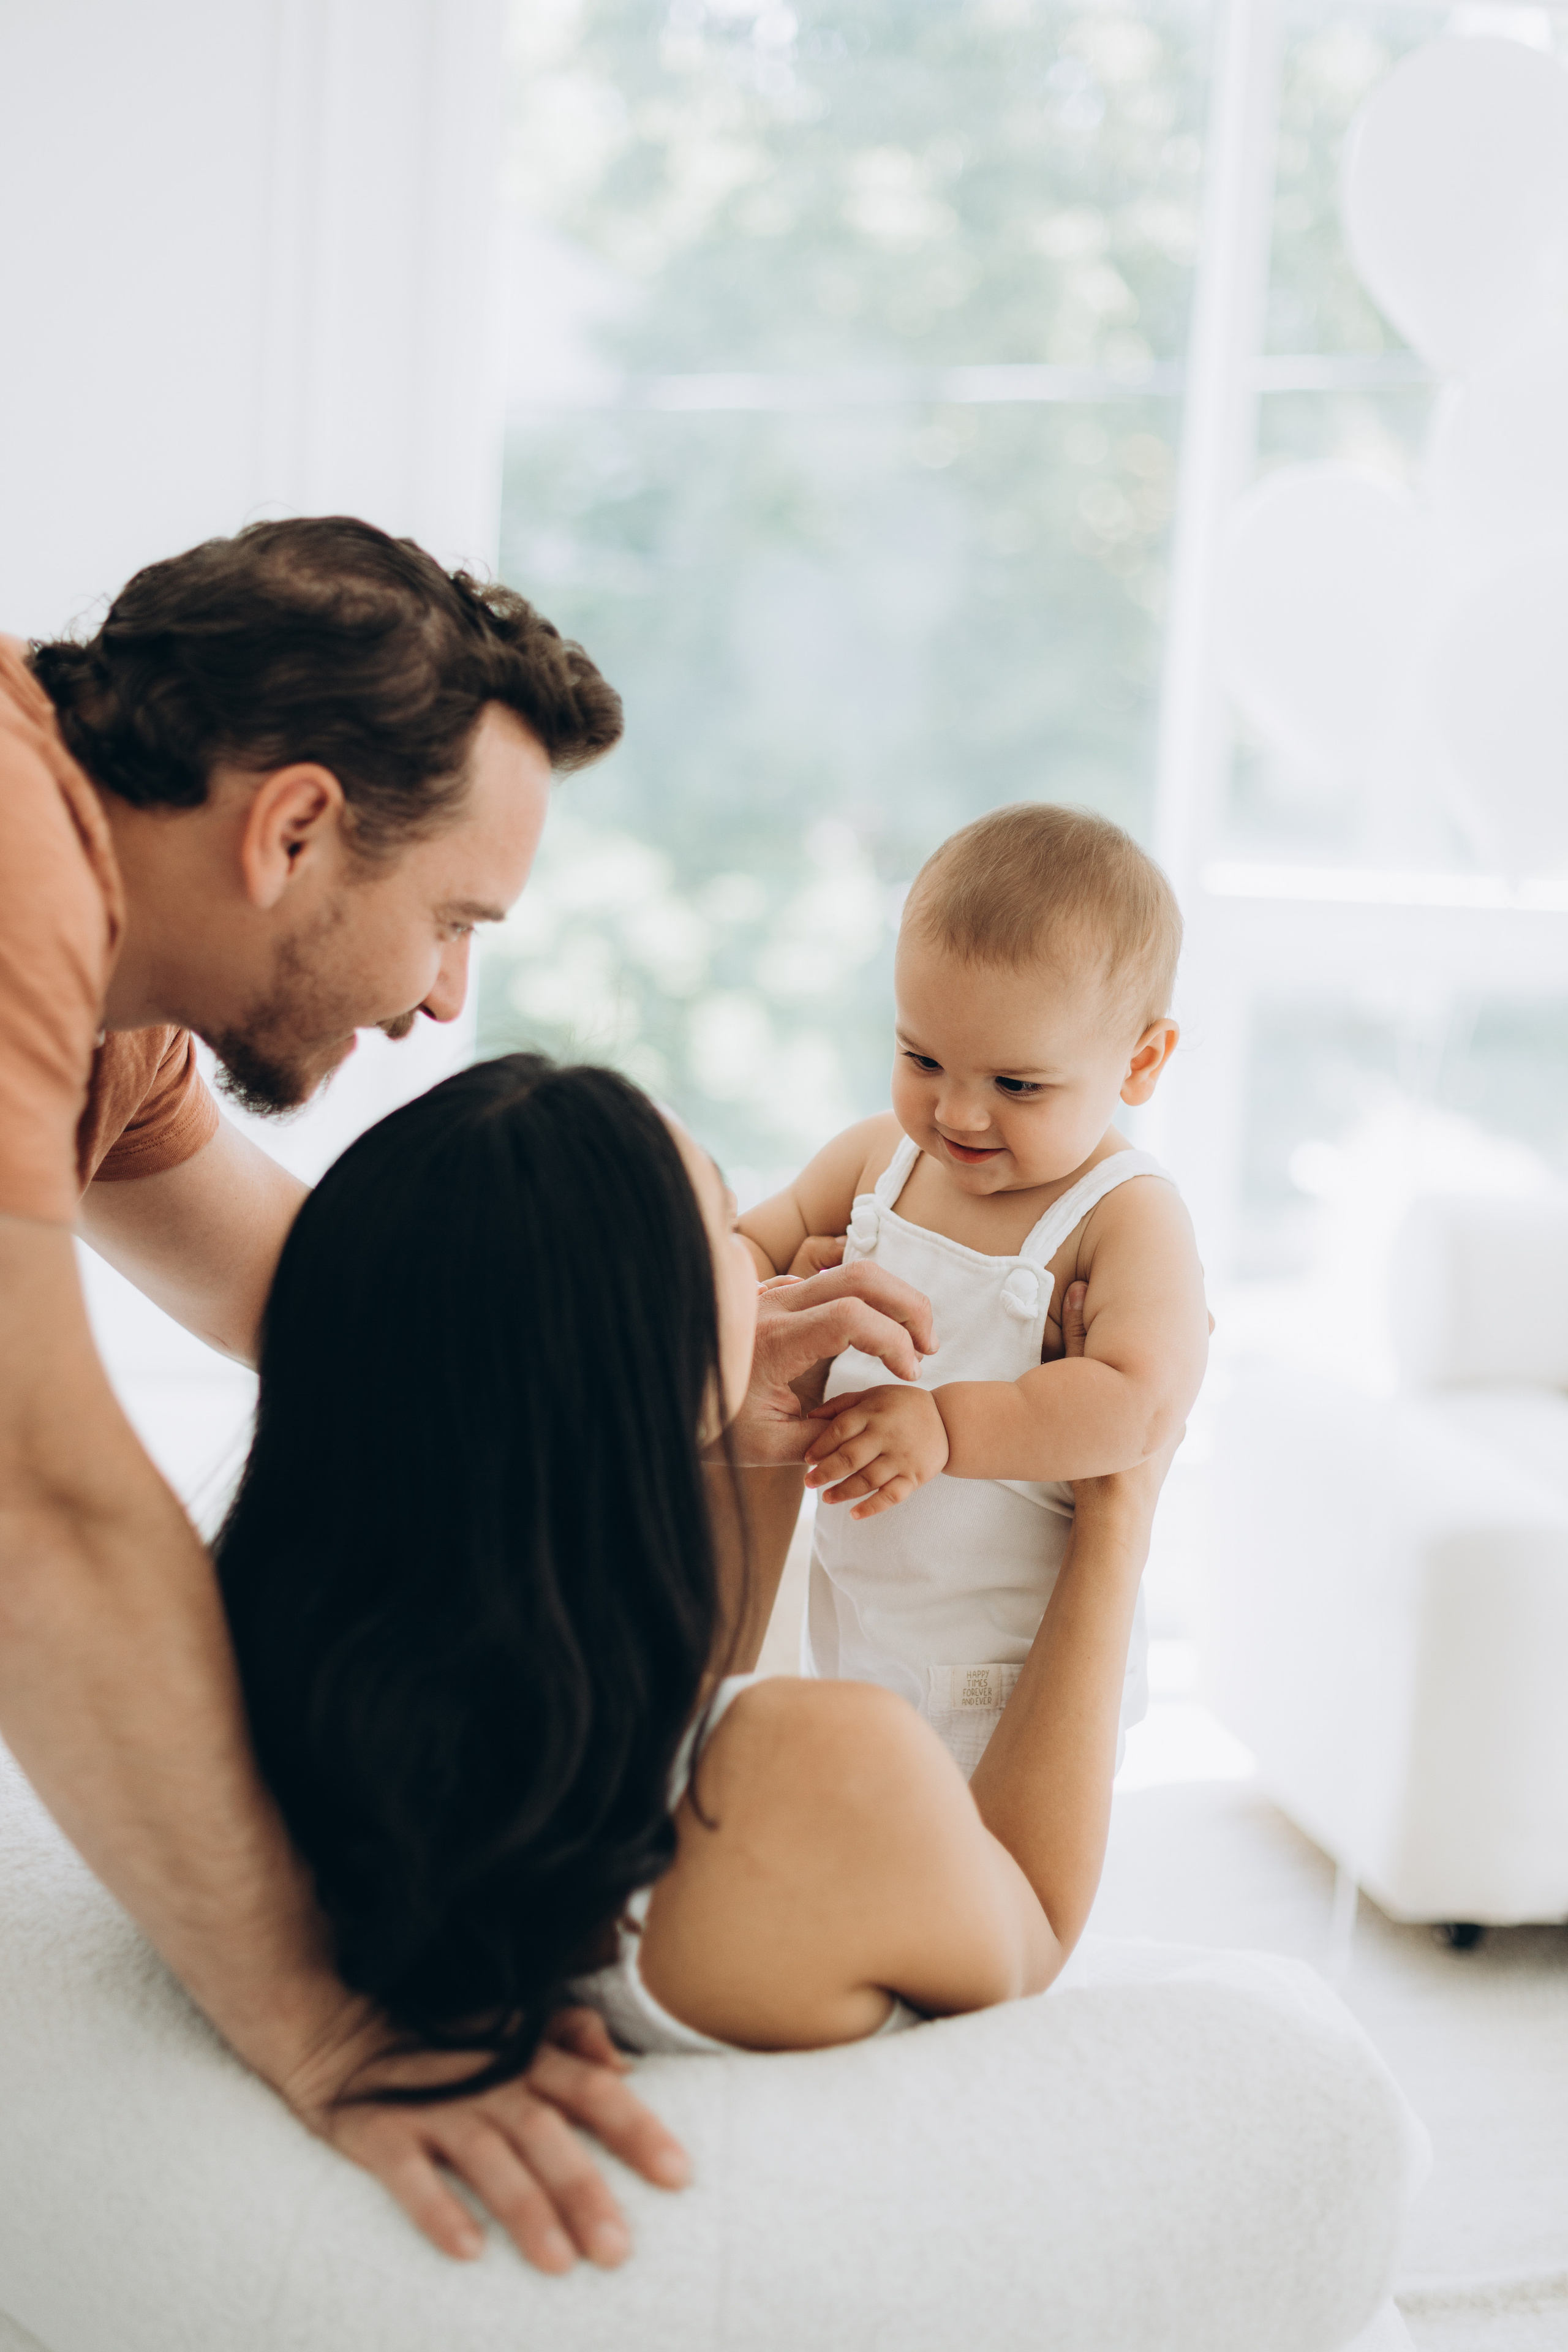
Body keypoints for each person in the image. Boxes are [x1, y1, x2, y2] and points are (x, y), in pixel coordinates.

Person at [0, 516, 937, 2271]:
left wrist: (698, 1330)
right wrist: (326, 2031)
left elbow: (349, 1305)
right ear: (291, 827)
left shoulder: (114, 1013)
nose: (445, 1001)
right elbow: (36, 1498)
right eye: (449, 920)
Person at [215, 1051, 1170, 2105]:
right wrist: (1118, 1511)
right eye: (721, 1225)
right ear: (641, 1357)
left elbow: (677, 1720)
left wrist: (744, 1449)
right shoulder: (826, 1771)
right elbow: (1026, 1930)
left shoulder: (281, 1697)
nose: (756, 1251)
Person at [739, 804, 1210, 1776]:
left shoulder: (1123, 1215)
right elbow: (751, 1247)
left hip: (1005, 1673)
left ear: (1141, 1061)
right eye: (922, 1059)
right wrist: (758, 1288)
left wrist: (948, 1427)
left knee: (969, 1908)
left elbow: (1138, 1403)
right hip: (854, 1626)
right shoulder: (879, 1159)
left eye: (1018, 1085)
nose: (956, 1112)